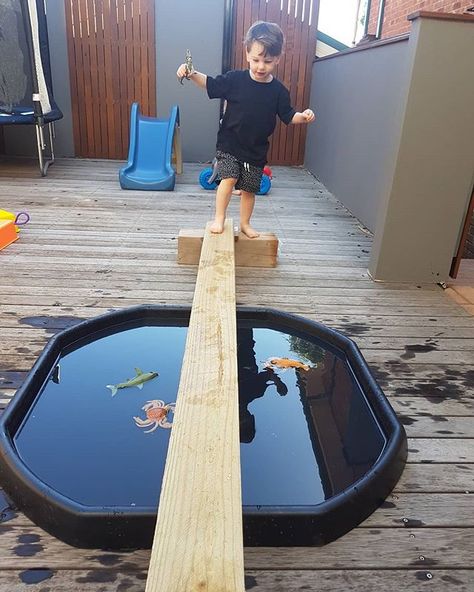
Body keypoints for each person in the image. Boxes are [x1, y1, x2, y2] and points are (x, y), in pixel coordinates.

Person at [176, 21, 315, 238]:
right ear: (247, 53)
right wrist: (192, 73)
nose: (261, 66)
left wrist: (304, 117)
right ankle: (219, 218)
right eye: (256, 60)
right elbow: (210, 84)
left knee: (250, 190)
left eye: (268, 61)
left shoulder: (278, 91)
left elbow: (288, 115)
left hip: (255, 150)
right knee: (229, 179)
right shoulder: (235, 80)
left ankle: (245, 224)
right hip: (230, 144)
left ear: (277, 59)